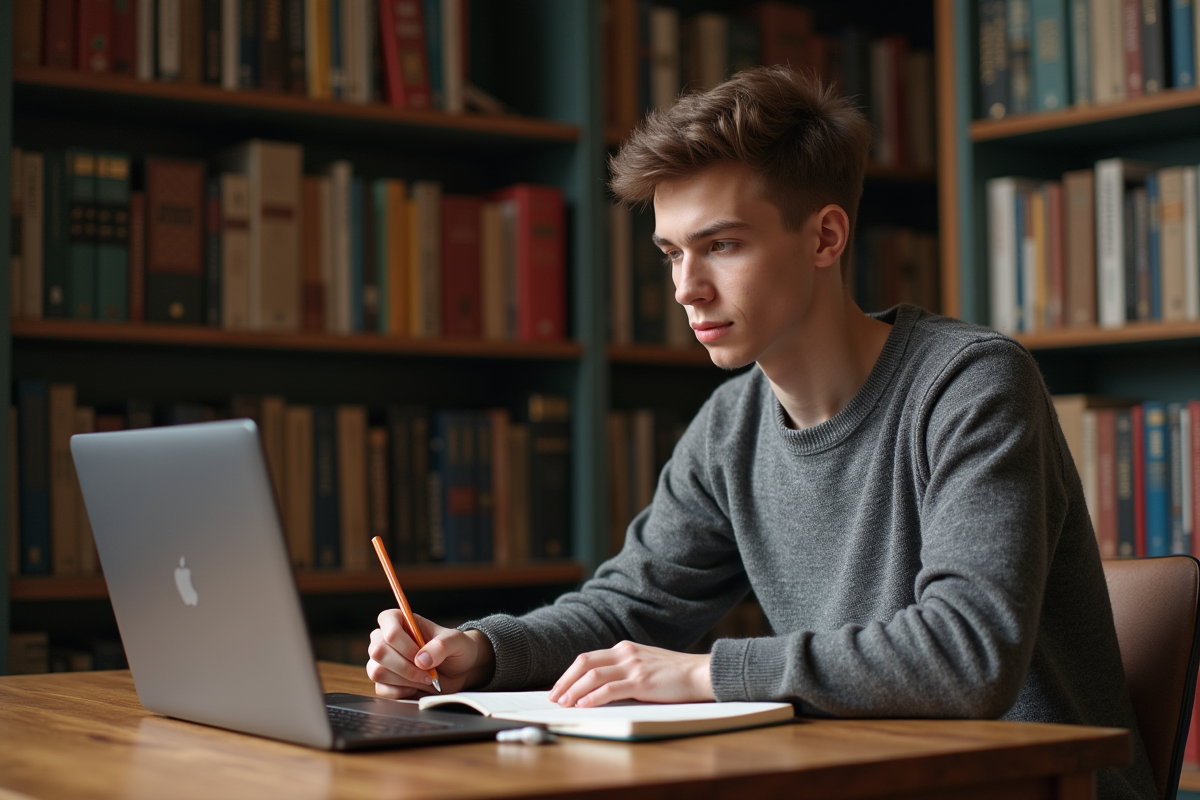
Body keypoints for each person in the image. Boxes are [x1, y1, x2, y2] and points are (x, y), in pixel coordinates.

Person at [366, 66, 1154, 798]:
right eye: (672, 252)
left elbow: (967, 654)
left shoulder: (972, 384)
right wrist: (476, 650)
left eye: (722, 245)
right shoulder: (731, 426)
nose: (686, 287)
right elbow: (630, 611)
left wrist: (704, 674)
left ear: (824, 238)